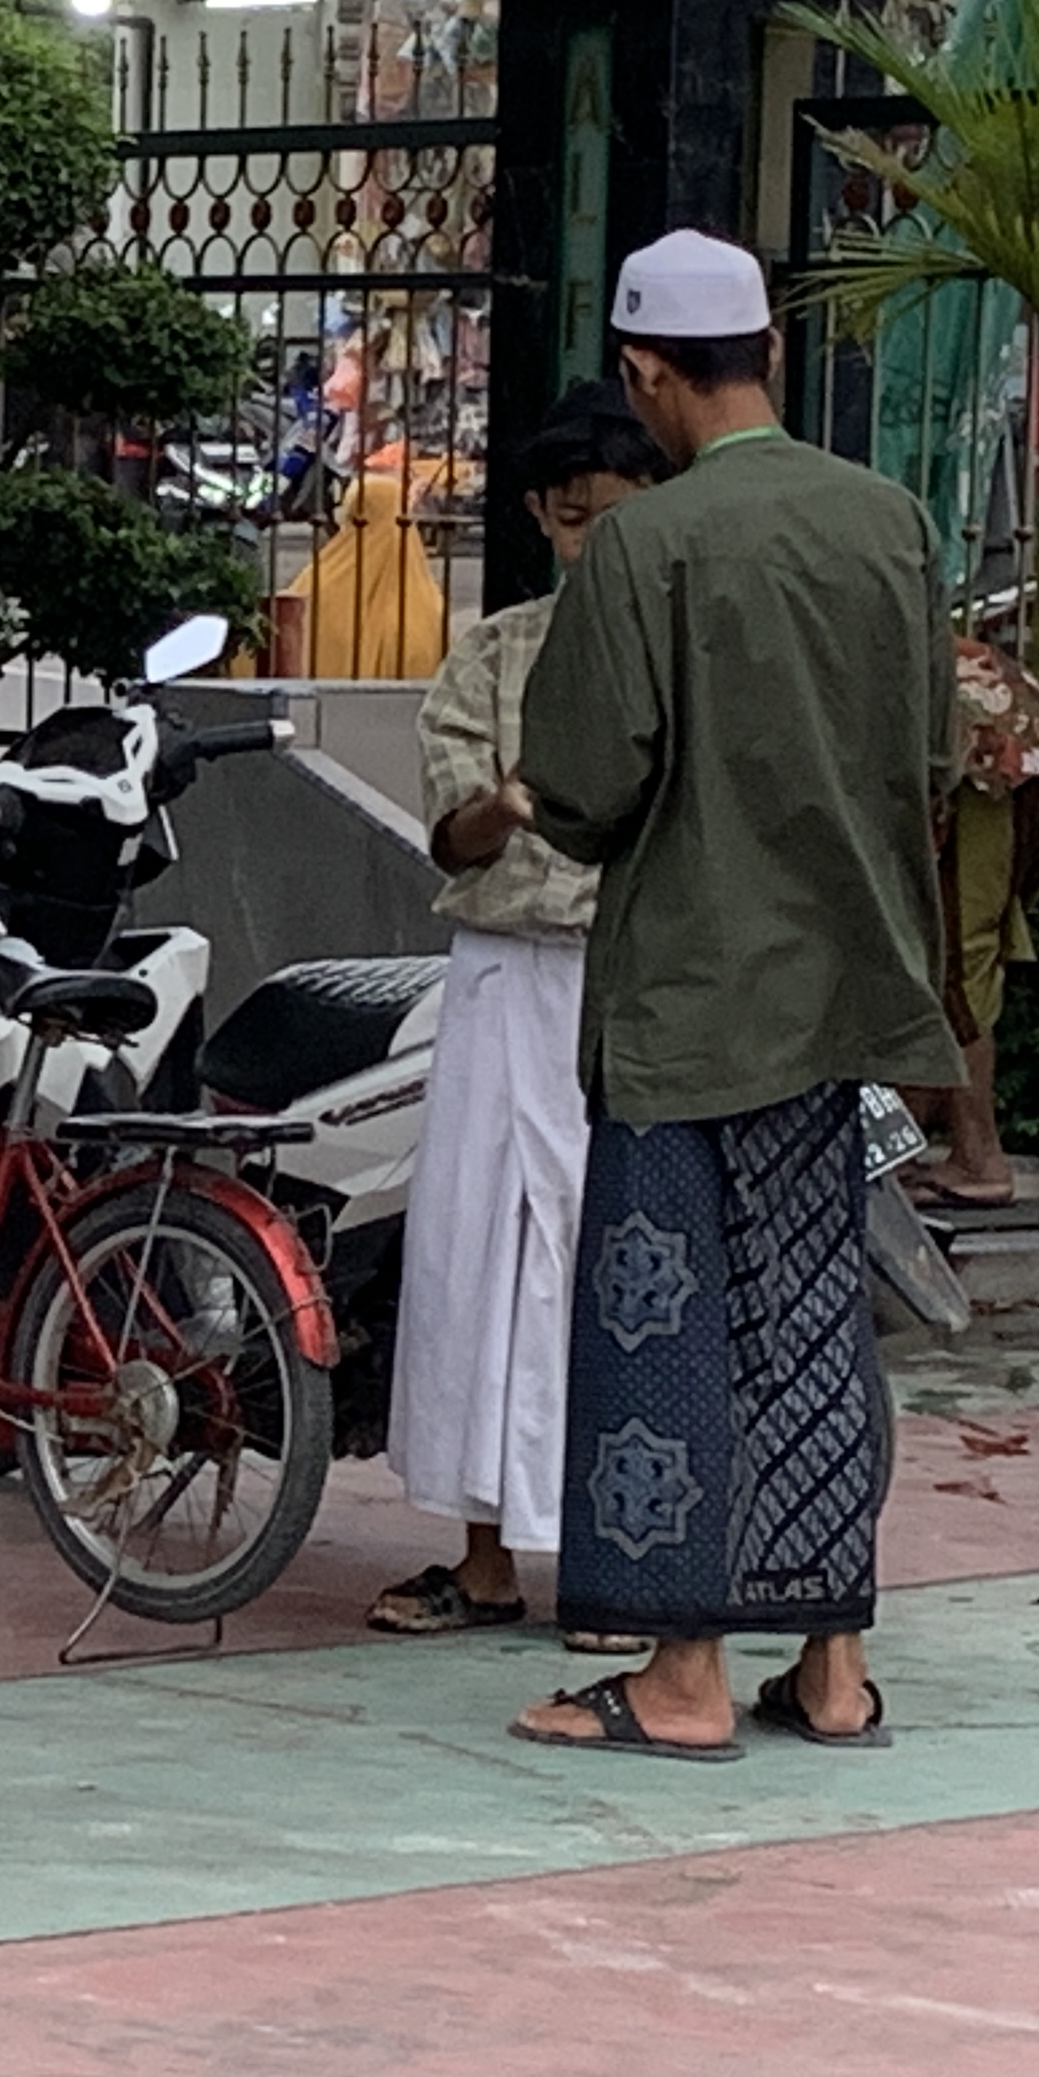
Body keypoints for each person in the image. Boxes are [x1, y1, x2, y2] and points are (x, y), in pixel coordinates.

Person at [502, 230, 965, 1760]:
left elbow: (584, 785)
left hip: (690, 999)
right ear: (766, 348)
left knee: (667, 1329)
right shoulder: (889, 523)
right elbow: (934, 756)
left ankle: (682, 1678)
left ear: (646, 373)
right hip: (844, 993)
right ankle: (833, 1670)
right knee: (816, 1324)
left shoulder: (647, 546)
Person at [371, 382, 664, 1644]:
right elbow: (451, 833)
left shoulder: (686, 651)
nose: (592, 540)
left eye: (616, 516)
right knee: (481, 1258)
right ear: (543, 517)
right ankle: (484, 1557)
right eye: (573, 517)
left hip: (628, 983)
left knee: (607, 1265)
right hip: (504, 978)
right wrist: (506, 805)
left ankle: (614, 1557)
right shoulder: (495, 653)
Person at [909, 636, 1039, 1210]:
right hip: (1030, 757)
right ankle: (919, 1141)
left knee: (953, 958)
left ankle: (979, 1157)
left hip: (993, 765)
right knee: (950, 948)